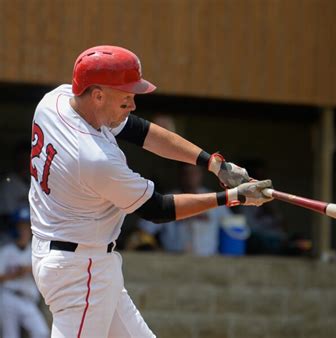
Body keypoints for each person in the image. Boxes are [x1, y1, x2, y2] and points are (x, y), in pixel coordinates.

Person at [29, 45, 273, 338]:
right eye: (126, 98)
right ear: (98, 95)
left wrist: (214, 164)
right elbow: (157, 209)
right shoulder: (94, 159)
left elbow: (140, 131)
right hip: (80, 272)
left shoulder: (54, 100)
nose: (132, 105)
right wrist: (233, 198)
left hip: (75, 258)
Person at [133, 164, 233, 255]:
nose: (190, 177)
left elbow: (233, 230)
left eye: (194, 173)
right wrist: (157, 251)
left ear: (201, 175)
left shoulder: (214, 199)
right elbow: (143, 231)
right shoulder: (166, 200)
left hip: (209, 259)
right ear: (180, 175)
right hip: (174, 260)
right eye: (186, 173)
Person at [0, 207, 49, 338]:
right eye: (21, 226)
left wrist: (30, 269)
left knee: (41, 333)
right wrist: (16, 273)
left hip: (28, 299)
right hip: (9, 296)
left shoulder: (36, 250)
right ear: (15, 228)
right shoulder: (6, 250)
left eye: (27, 226)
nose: (24, 230)